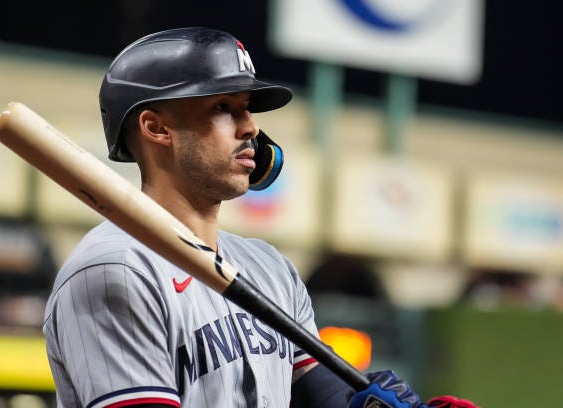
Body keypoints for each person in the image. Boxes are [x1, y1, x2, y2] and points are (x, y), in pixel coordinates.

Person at [43, 27, 477, 408]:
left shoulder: (269, 270)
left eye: (247, 107)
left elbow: (320, 396)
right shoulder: (113, 270)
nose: (251, 127)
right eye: (223, 108)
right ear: (157, 129)